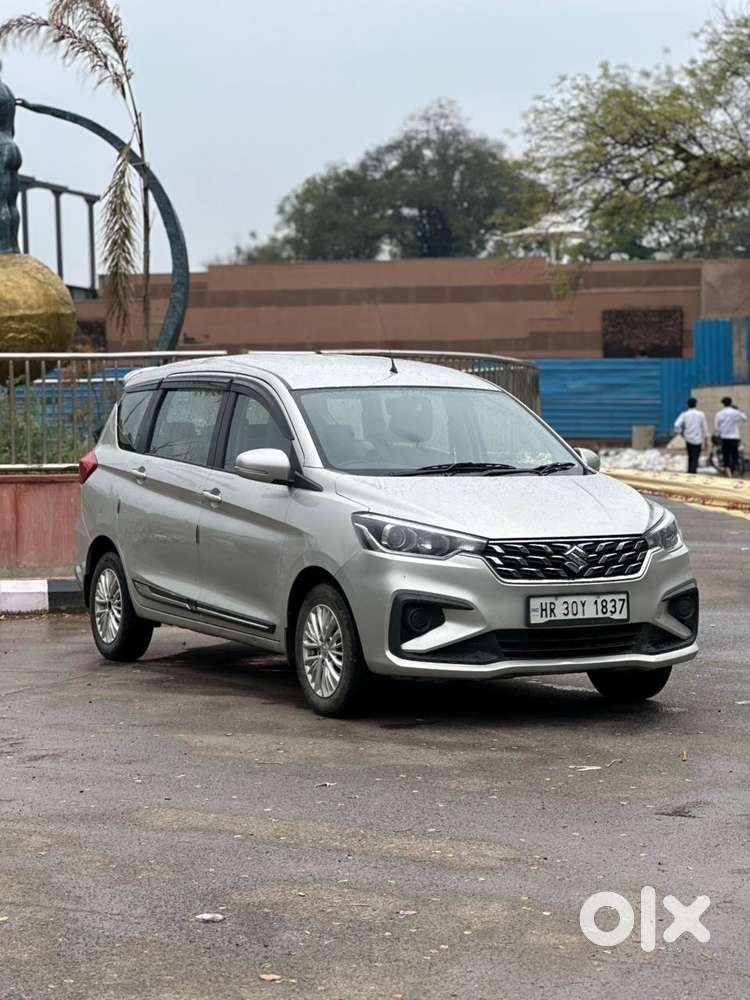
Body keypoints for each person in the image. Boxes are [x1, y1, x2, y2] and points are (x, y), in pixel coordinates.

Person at [674, 398, 708, 474]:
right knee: (695, 457)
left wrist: (681, 433)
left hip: (688, 438)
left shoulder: (684, 414)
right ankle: (693, 472)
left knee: (690, 456)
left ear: (688, 405)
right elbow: (704, 427)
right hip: (698, 439)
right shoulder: (701, 414)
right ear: (696, 404)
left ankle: (689, 471)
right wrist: (706, 439)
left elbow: (676, 425)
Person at [715, 396, 747, 476]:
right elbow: (744, 418)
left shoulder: (719, 414)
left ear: (723, 404)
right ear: (731, 403)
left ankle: (727, 469)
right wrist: (737, 410)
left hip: (724, 437)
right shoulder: (735, 412)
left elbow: (717, 427)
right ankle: (733, 469)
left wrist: (718, 434)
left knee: (725, 454)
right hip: (734, 438)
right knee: (734, 454)